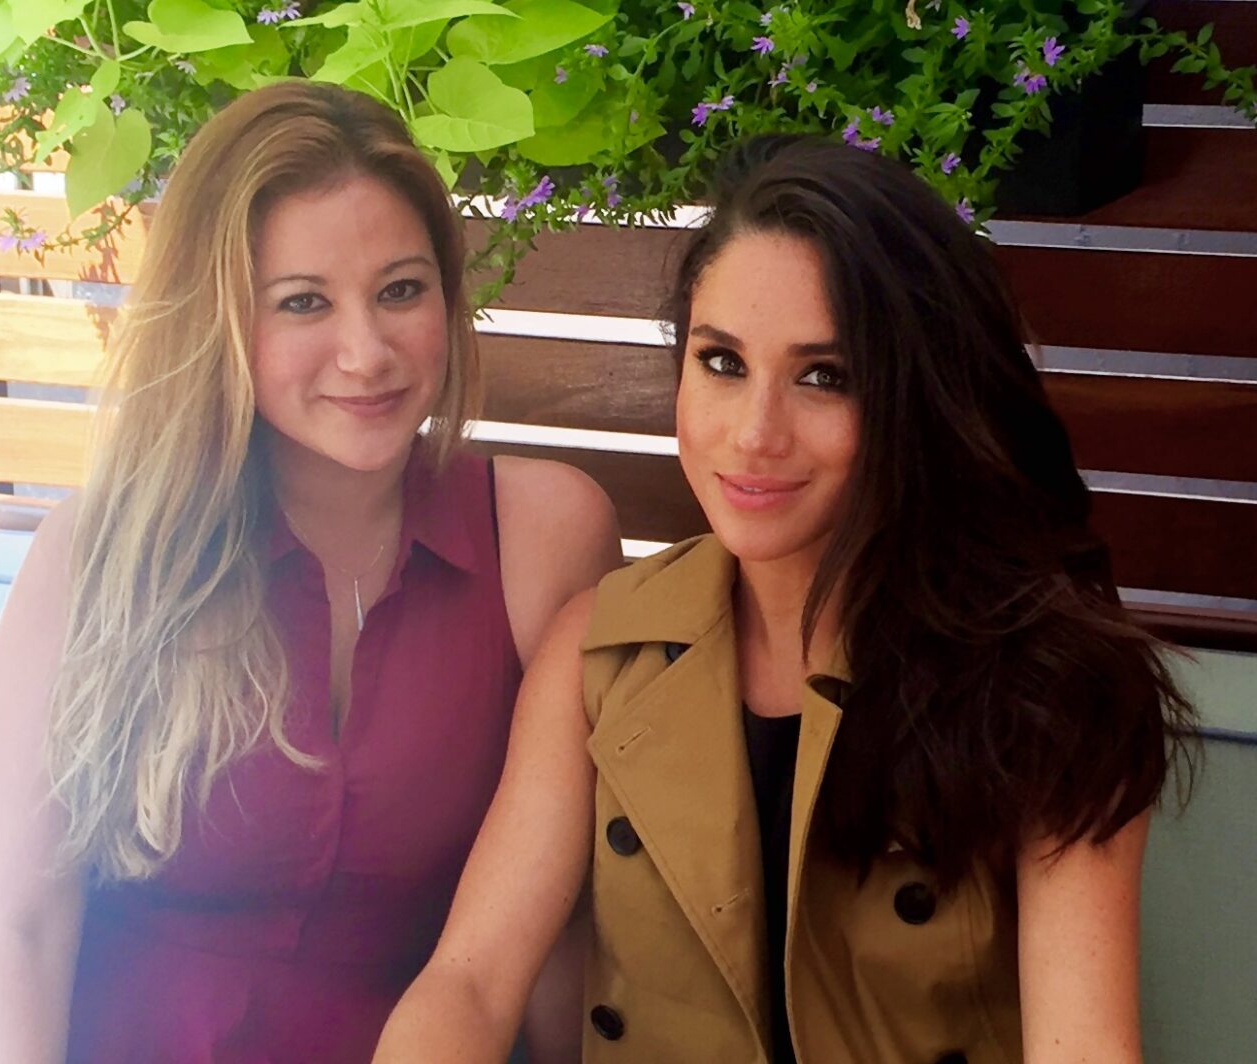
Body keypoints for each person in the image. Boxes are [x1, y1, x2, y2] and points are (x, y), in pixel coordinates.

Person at [0, 81, 619, 1064]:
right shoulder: (102, 553)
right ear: (218, 319)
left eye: (401, 291)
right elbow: (18, 926)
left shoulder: (542, 535)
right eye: (303, 303)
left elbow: (555, 920)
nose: (366, 352)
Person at [374, 134, 1197, 1064]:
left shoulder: (1055, 685)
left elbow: (1084, 1047)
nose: (754, 435)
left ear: (916, 396)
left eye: (824, 376)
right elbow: (470, 982)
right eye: (722, 362)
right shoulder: (598, 652)